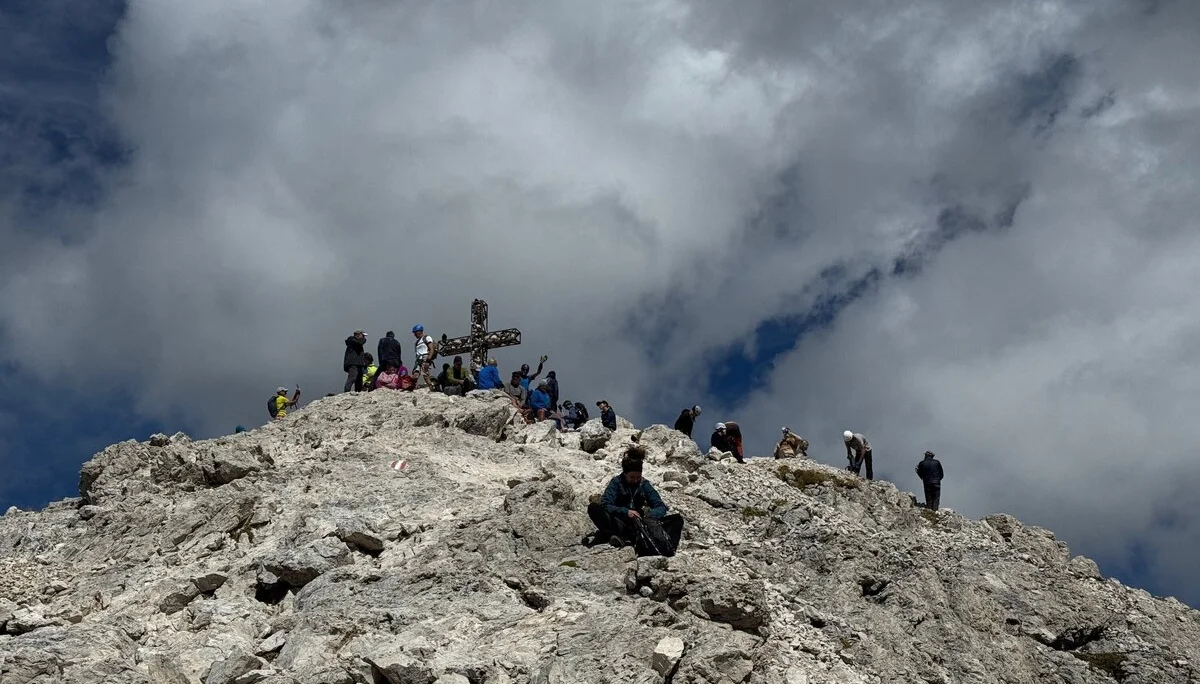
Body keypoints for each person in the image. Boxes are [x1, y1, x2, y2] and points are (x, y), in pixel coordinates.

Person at [585, 446, 682, 551]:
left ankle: (666, 547)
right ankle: (613, 536)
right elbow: (606, 504)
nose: (636, 480)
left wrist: (649, 516)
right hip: (618, 522)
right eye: (632, 477)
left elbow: (660, 506)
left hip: (638, 525)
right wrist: (626, 512)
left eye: (638, 477)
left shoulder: (644, 484)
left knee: (677, 519)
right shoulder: (616, 482)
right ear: (625, 474)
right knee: (593, 508)